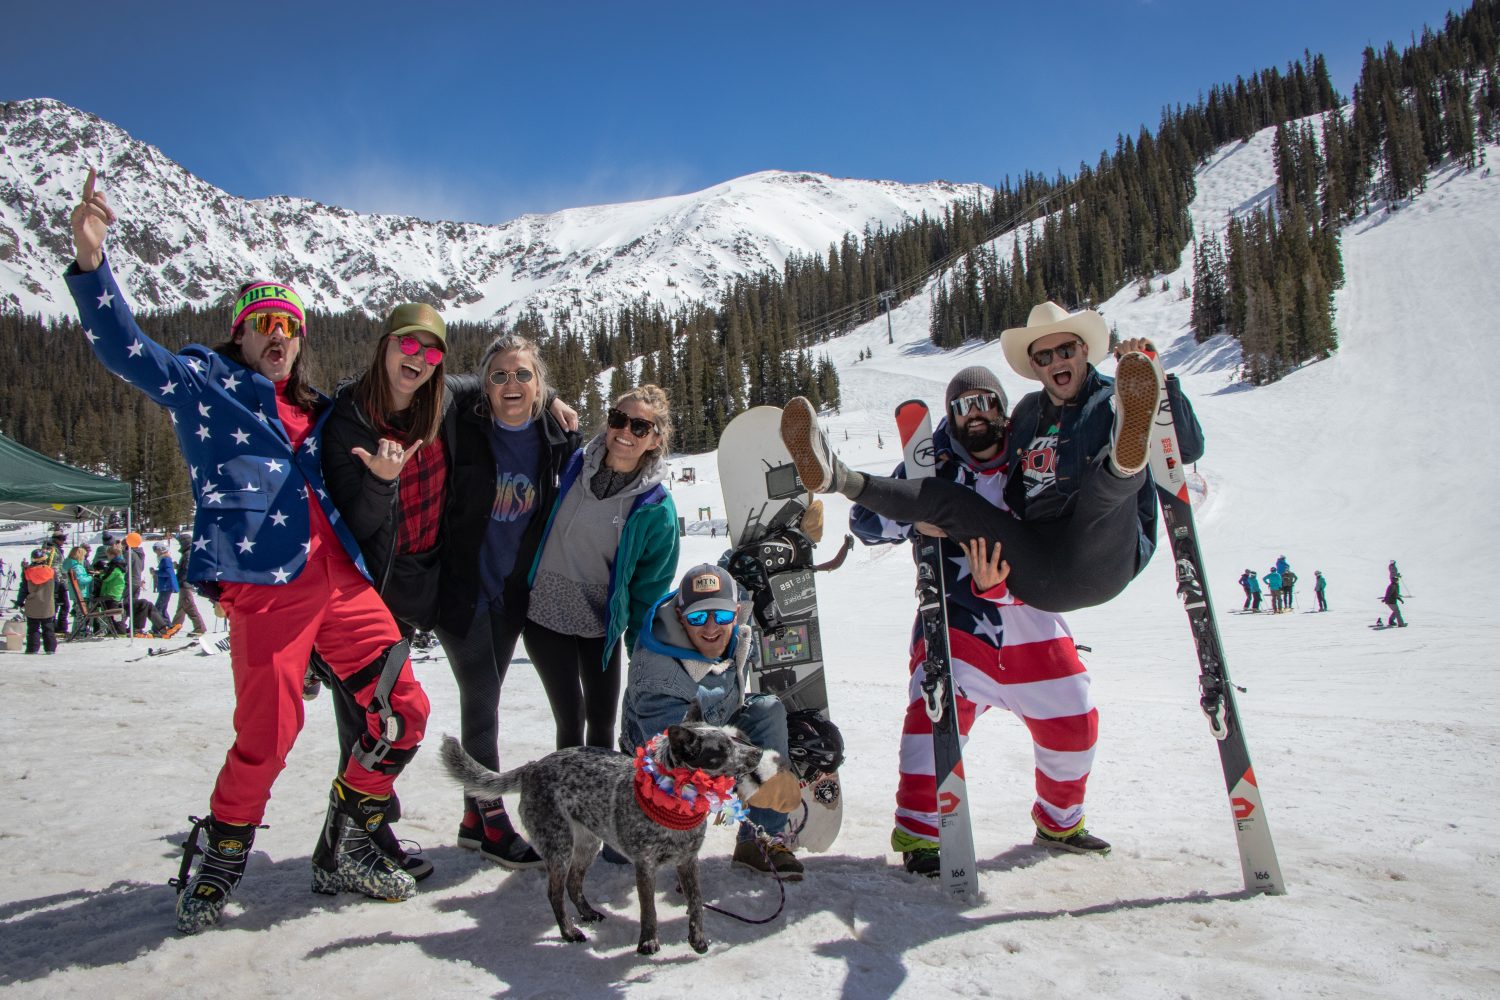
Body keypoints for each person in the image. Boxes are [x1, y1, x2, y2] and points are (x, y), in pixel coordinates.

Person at [66, 169, 430, 934]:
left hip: (343, 582)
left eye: (288, 326)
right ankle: (224, 853)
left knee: (405, 708)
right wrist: (93, 264)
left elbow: (412, 388)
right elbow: (125, 349)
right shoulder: (206, 386)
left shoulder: (321, 410)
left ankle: (351, 838)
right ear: (240, 333)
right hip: (268, 585)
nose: (277, 335)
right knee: (270, 733)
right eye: (262, 323)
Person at [780, 301, 1204, 613]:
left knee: (1102, 486)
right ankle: (837, 478)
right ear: (1035, 367)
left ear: (1083, 353)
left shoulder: (1118, 397)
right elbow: (973, 447)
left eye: (1066, 350)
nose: (1057, 360)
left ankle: (1123, 461)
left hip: (1101, 554)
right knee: (947, 498)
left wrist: (1159, 383)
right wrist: (937, 468)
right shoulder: (1026, 415)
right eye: (1045, 356)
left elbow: (1184, 449)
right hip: (1037, 570)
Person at [851, 367, 1108, 875]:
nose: (975, 416)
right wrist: (912, 515)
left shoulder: (1031, 455)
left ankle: (1060, 821)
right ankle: (922, 834)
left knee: (1073, 722)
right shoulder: (933, 463)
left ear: (1002, 408)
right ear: (951, 415)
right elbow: (866, 521)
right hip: (958, 620)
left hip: (1032, 620)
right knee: (933, 720)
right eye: (963, 406)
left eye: (985, 402)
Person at [435, 333, 579, 867]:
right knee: (480, 700)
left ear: (540, 384)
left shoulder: (556, 435)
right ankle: (492, 820)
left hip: (512, 594)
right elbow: (435, 381)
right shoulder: (464, 423)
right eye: (499, 376)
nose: (511, 384)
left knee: (487, 699)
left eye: (524, 375)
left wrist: (554, 396)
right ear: (484, 386)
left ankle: (473, 821)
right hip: (462, 591)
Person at [620, 563, 805, 879]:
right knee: (633, 848)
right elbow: (677, 757)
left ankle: (759, 841)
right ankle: (624, 843)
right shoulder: (657, 675)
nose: (710, 628)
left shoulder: (733, 629)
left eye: (721, 616)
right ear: (680, 617)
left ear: (736, 611)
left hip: (717, 724)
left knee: (768, 709)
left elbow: (737, 566)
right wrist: (754, 779)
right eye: (696, 618)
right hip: (656, 767)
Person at [525, 384, 681, 751]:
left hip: (600, 626)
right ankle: (564, 804)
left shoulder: (656, 508)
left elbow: (650, 589)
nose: (625, 432)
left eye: (640, 428)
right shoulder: (570, 463)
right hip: (544, 614)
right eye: (619, 419)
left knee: (601, 724)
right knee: (569, 719)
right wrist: (551, 396)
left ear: (655, 440)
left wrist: (641, 652)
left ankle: (598, 806)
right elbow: (520, 396)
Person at [16, 549, 59, 654]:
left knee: (33, 629)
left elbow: (24, 589)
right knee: (48, 628)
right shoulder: (51, 572)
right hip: (47, 604)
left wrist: (20, 601)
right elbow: (56, 586)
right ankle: (50, 648)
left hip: (33, 604)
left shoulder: (28, 573)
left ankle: (32, 649)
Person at [168, 534, 208, 636]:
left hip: (185, 582)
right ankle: (174, 626)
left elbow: (187, 569)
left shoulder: (188, 554)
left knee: (189, 605)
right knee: (182, 607)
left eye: (181, 542)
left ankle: (200, 628)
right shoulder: (188, 553)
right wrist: (178, 567)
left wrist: (181, 575)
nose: (180, 544)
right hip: (184, 582)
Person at [152, 541, 179, 623]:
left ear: (162, 549)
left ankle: (160, 627)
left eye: (156, 549)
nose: (155, 551)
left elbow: (168, 573)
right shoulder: (164, 559)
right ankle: (167, 624)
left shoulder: (166, 559)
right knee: (162, 608)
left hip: (166, 587)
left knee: (159, 608)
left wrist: (156, 572)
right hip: (165, 586)